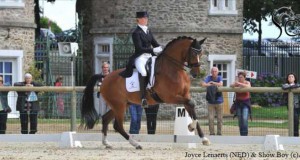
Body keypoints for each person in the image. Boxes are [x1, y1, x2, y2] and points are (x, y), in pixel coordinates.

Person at [120, 11, 163, 107]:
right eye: (144, 18)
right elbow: (139, 48)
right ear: (138, 20)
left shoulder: (148, 30)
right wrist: (153, 49)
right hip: (140, 56)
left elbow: (154, 42)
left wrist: (160, 48)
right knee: (143, 72)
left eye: (146, 18)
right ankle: (143, 97)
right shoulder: (136, 32)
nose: (146, 20)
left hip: (150, 56)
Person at [201, 67, 224, 135]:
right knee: (211, 119)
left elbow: (221, 84)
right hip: (210, 102)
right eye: (213, 71)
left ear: (218, 72)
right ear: (211, 72)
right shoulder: (208, 77)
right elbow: (203, 84)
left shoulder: (220, 77)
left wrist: (212, 83)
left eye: (215, 71)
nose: (214, 72)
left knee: (220, 119)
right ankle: (212, 133)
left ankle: (219, 133)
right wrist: (210, 84)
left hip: (219, 102)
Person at [230, 72, 251, 136]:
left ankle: (245, 134)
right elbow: (231, 85)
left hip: (245, 103)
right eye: (239, 77)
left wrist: (239, 83)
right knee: (239, 119)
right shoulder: (236, 83)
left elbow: (248, 87)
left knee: (244, 118)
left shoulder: (247, 82)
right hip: (238, 103)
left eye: (241, 77)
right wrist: (235, 84)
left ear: (244, 77)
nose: (240, 78)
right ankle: (241, 134)